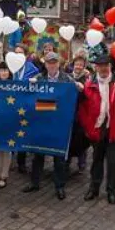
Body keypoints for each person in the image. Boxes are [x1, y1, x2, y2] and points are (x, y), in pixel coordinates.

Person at [77, 45, 115, 204]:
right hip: (97, 129)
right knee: (96, 161)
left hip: (113, 130)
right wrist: (88, 127)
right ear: (96, 67)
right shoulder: (89, 84)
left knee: (113, 163)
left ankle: (111, 191)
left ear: (110, 67)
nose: (104, 69)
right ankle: (93, 189)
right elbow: (84, 109)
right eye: (100, 66)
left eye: (106, 66)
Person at [24, 51, 73, 199]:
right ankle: (35, 183)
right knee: (37, 154)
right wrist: (29, 86)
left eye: (54, 62)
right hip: (42, 122)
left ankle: (59, 186)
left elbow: (70, 100)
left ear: (59, 63)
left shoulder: (67, 80)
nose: (52, 65)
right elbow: (30, 100)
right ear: (45, 64)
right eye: (49, 62)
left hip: (59, 123)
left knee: (58, 157)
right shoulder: (38, 78)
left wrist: (79, 87)